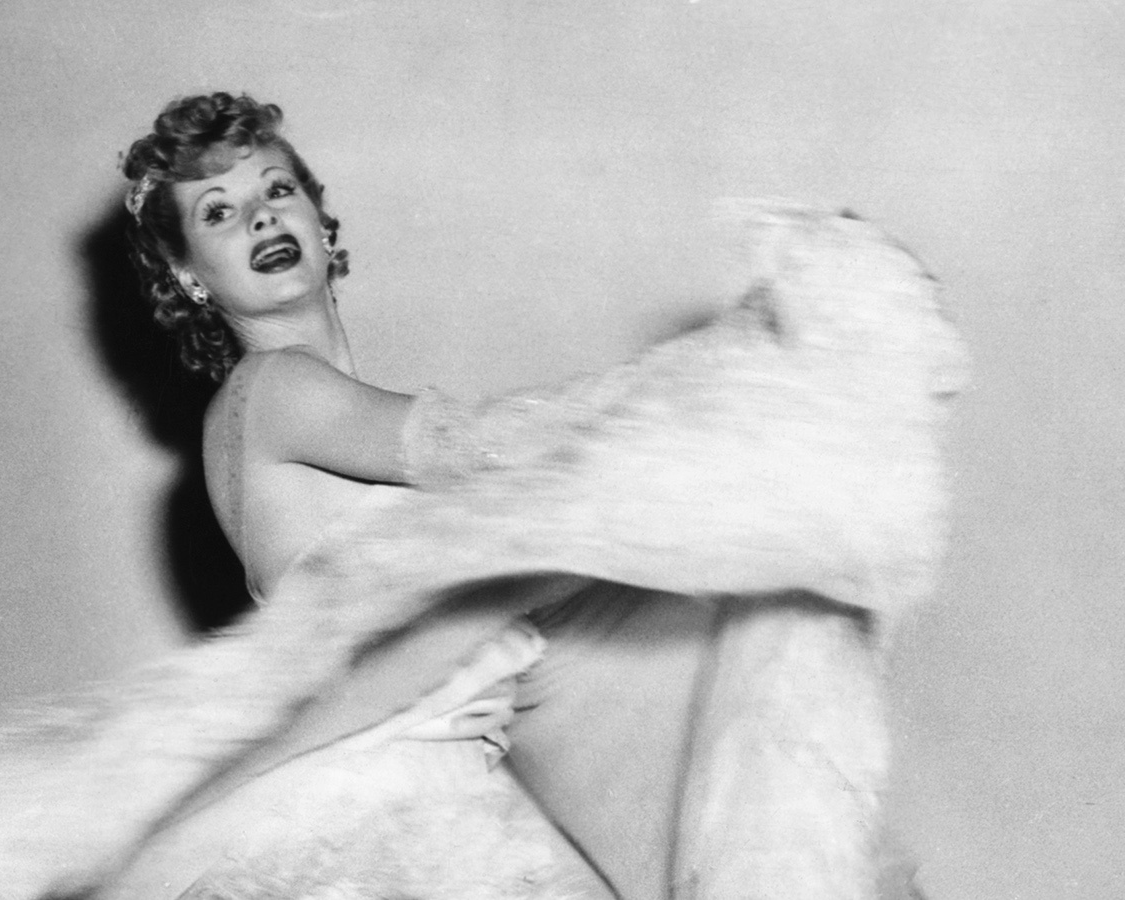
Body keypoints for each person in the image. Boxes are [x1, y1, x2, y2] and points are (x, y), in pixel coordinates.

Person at [114, 91, 722, 900]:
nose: (260, 217)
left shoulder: (278, 413)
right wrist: (713, 385)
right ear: (189, 275)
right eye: (218, 212)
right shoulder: (274, 389)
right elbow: (484, 446)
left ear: (322, 224)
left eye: (277, 189)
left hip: (419, 797)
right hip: (386, 810)